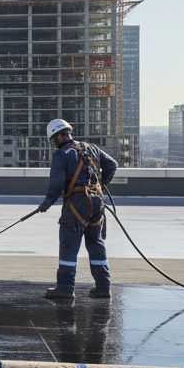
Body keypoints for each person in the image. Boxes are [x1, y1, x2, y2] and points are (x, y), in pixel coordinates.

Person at [35, 118, 118, 301]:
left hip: (77, 204)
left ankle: (65, 289)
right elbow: (112, 165)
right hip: (97, 203)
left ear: (57, 137)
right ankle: (103, 287)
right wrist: (100, 185)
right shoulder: (91, 148)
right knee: (96, 244)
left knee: (68, 246)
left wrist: (47, 202)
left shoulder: (61, 154)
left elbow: (56, 184)